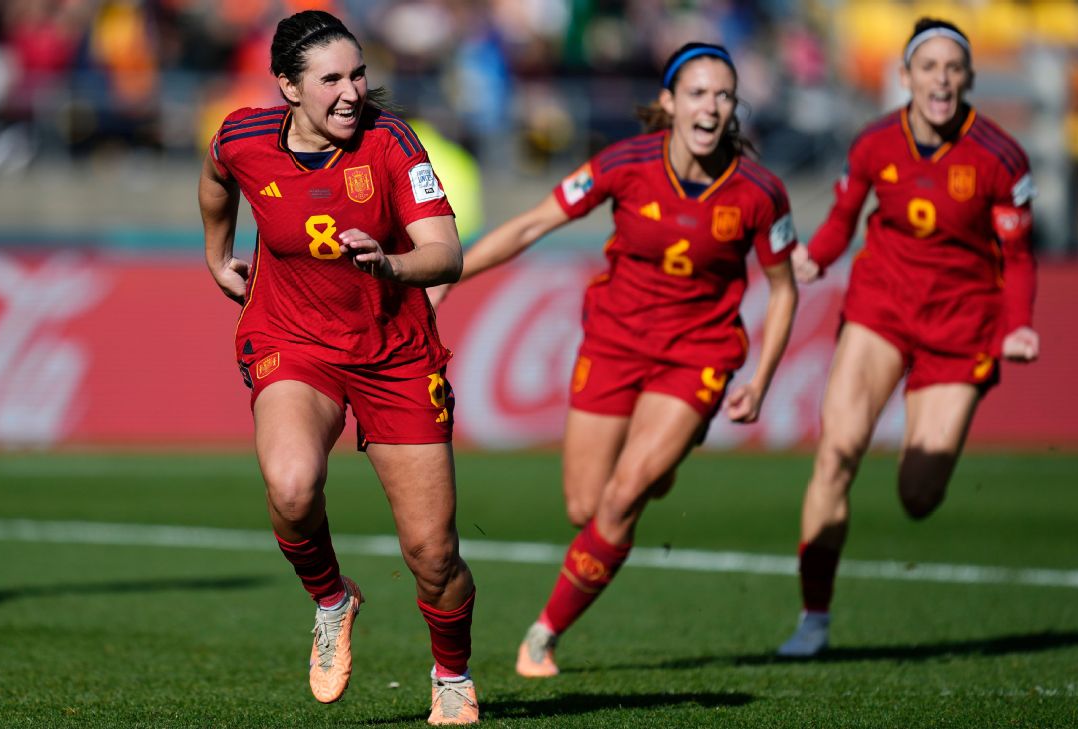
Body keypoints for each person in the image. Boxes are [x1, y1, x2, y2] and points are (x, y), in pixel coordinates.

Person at [432, 42, 799, 677]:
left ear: (734, 105)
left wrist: (762, 381)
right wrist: (451, 273)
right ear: (669, 102)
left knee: (623, 497)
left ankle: (544, 634)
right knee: (584, 507)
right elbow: (531, 224)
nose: (710, 107)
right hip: (613, 344)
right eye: (697, 94)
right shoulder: (624, 163)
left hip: (698, 356)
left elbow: (786, 288)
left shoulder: (761, 193)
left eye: (723, 95)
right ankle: (654, 466)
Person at [198, 10, 479, 724]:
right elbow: (215, 177)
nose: (353, 91)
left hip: (395, 354)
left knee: (432, 554)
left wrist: (390, 261)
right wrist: (215, 252)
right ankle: (332, 598)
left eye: (358, 74)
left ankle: (451, 674)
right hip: (292, 338)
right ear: (289, 88)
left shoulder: (391, 143)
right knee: (291, 486)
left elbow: (446, 251)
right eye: (332, 79)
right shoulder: (243, 136)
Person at [776, 18, 1039, 657]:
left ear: (968, 79)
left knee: (918, 496)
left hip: (960, 326)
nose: (941, 80)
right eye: (929, 67)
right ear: (905, 77)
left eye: (953, 69)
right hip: (882, 309)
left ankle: (923, 447)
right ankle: (814, 618)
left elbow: (1020, 256)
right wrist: (819, 256)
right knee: (836, 452)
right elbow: (844, 220)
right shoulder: (873, 144)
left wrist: (1020, 324)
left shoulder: (1002, 158)